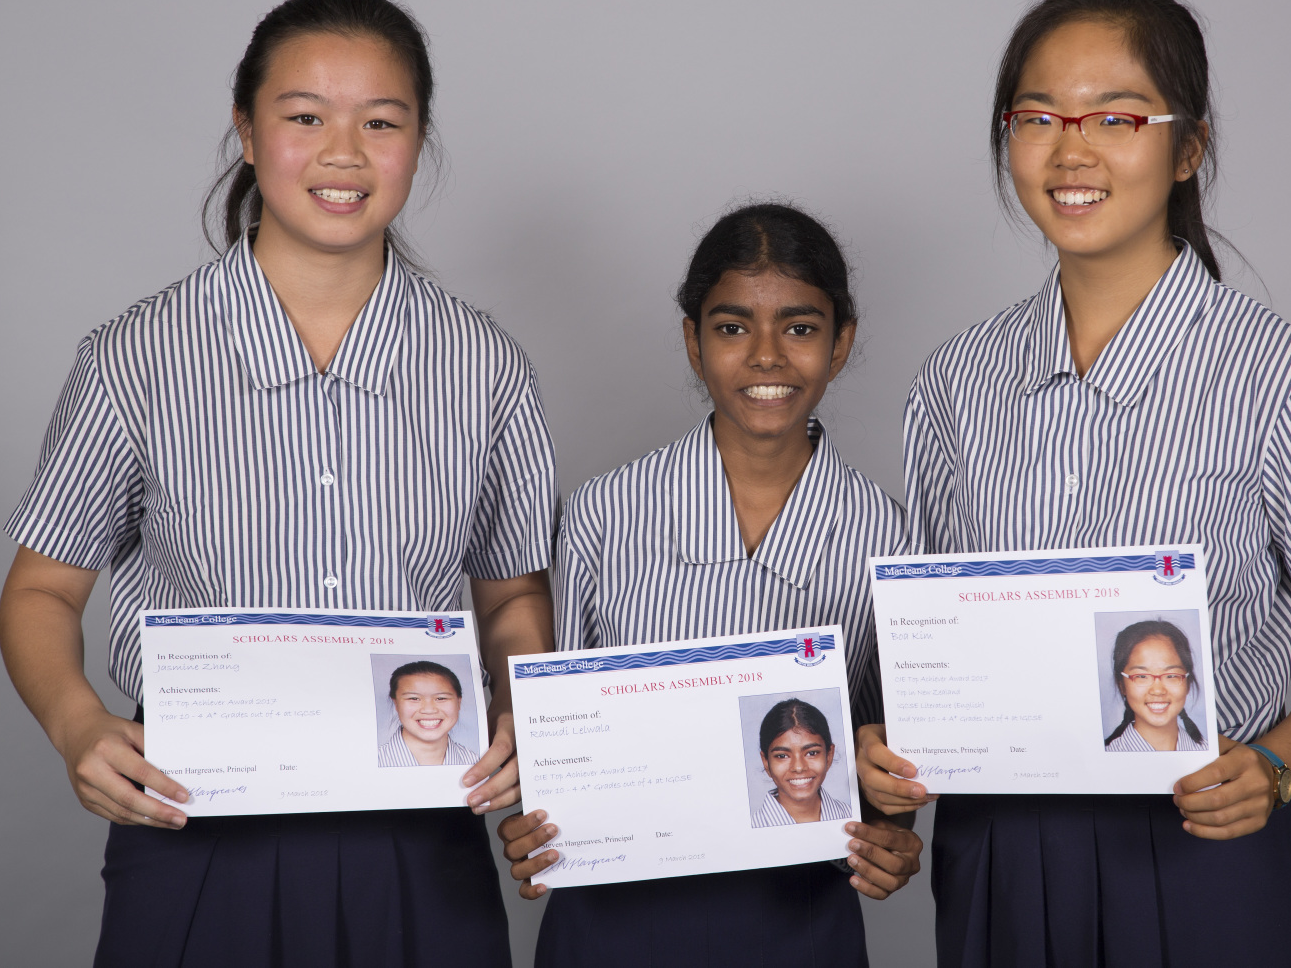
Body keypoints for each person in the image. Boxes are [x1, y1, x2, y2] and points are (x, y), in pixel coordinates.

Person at [0, 0, 555, 968]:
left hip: (420, 833)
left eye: (380, 122)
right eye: (305, 118)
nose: (344, 154)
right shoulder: (137, 357)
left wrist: (515, 715)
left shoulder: (485, 365)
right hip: (194, 826)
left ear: (418, 142)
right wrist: (76, 722)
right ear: (247, 132)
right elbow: (41, 589)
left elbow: (511, 597)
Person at [858, 0, 1291, 966]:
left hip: (1199, 841)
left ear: (1188, 147)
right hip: (999, 851)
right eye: (1036, 117)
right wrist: (882, 755)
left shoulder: (1274, 371)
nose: (1071, 152)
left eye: (1116, 117)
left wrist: (1273, 767)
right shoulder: (955, 381)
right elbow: (927, 640)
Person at [499, 203, 923, 966]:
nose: (766, 357)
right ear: (694, 343)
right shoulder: (603, 514)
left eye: (800, 328)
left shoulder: (891, 540)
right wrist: (542, 813)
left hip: (798, 924)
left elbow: (883, 757)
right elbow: (560, 735)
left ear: (840, 343)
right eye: (732, 328)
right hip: (613, 921)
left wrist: (892, 832)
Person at [1102, 620, 1207, 753]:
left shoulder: (1211, 754)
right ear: (1121, 684)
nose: (1157, 690)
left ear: (1188, 683)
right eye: (1141, 676)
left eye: (1171, 676)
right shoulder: (1104, 758)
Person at [751, 697, 854, 826]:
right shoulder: (750, 828)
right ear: (766, 762)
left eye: (812, 753)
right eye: (782, 756)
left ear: (829, 756)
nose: (799, 767)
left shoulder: (852, 816)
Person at [379, 660, 479, 767]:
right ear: (396, 703)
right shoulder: (374, 760)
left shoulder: (475, 761)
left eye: (441, 698)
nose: (429, 710)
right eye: (414, 698)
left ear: (458, 702)